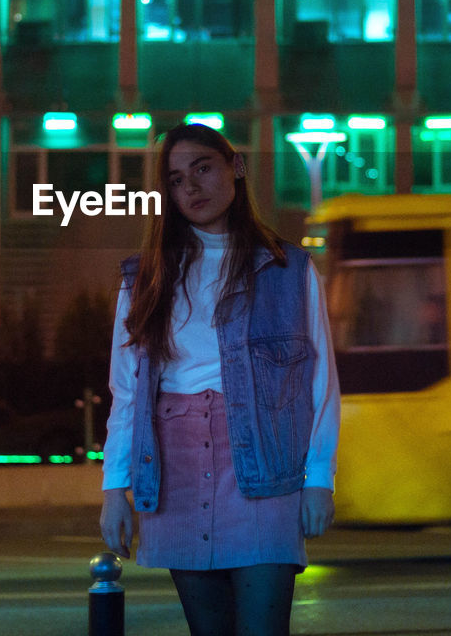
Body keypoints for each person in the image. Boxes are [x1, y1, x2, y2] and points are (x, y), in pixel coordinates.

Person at [99, 123, 341, 636]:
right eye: (176, 178)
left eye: (203, 169)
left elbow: (320, 381)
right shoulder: (145, 277)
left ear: (236, 168)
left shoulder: (288, 268)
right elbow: (126, 393)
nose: (191, 187)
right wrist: (113, 491)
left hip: (265, 468)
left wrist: (319, 478)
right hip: (176, 471)